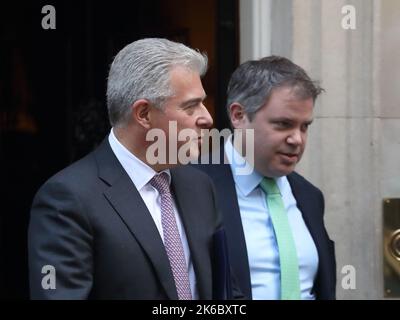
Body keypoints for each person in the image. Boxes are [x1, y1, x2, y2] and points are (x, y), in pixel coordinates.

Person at [28, 38, 235, 299]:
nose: (207, 118)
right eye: (191, 106)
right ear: (144, 114)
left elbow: (226, 293)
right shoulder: (67, 200)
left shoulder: (200, 186)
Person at [196, 56, 336, 300]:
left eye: (304, 127)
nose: (297, 140)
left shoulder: (310, 196)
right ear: (238, 115)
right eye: (283, 124)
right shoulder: (192, 187)